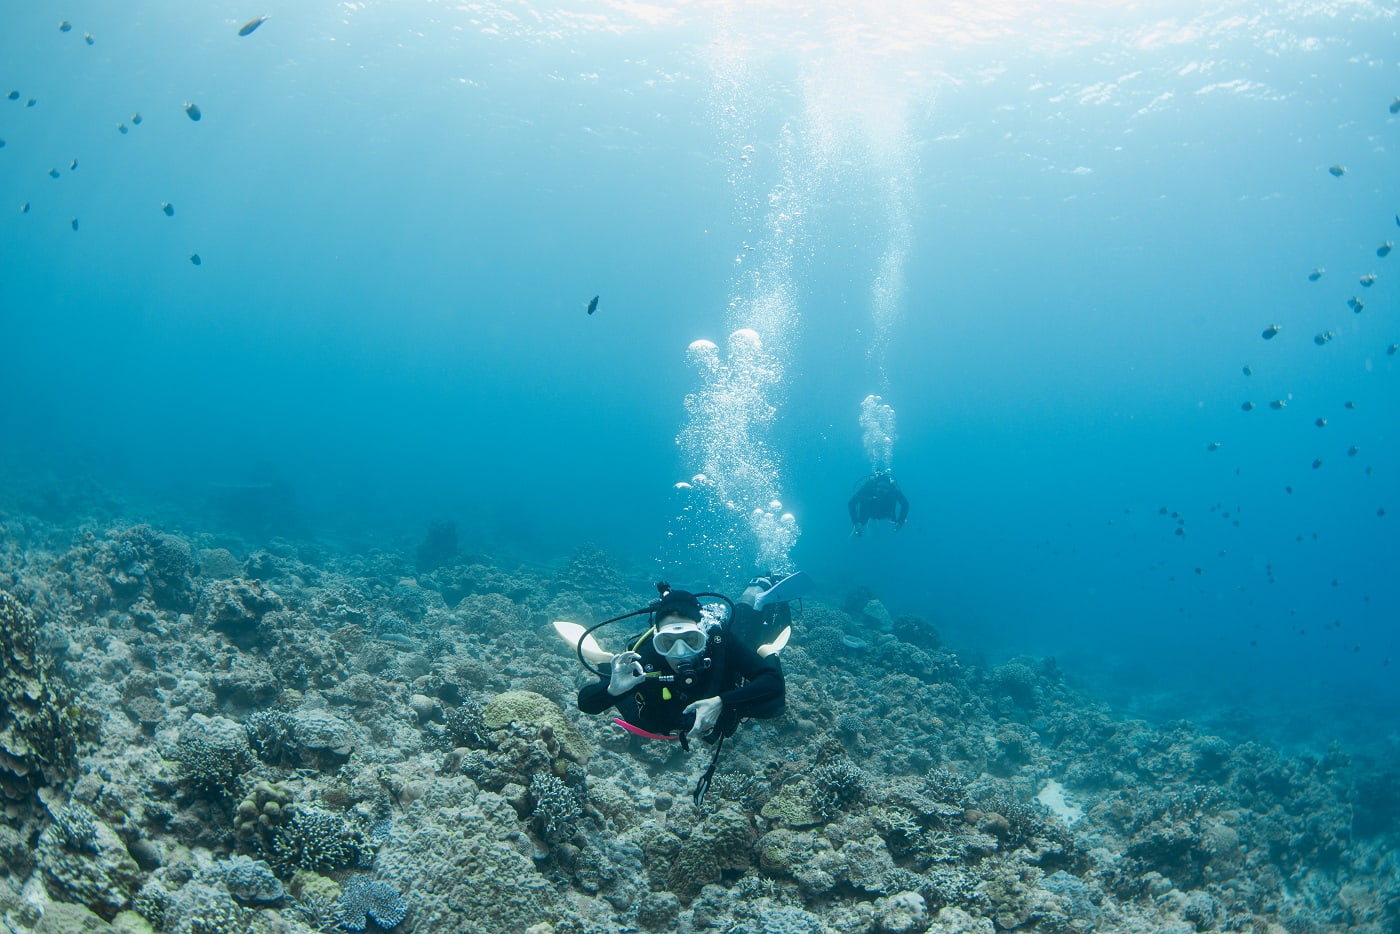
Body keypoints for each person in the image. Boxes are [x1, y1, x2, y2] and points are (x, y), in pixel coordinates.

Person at [576, 586, 785, 747]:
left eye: (691, 640)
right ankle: (605, 659)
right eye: (668, 642)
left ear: (702, 634)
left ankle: (767, 649)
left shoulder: (718, 643)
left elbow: (773, 684)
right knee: (635, 712)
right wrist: (613, 689)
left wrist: (723, 701)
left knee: (773, 706)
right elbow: (587, 704)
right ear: (657, 639)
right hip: (659, 720)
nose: (680, 651)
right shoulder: (646, 656)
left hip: (721, 710)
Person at [848, 470, 909, 535]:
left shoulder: (893, 491)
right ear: (875, 486)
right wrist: (856, 522)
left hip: (884, 513)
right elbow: (851, 503)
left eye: (885, 487)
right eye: (879, 486)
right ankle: (865, 523)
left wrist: (900, 522)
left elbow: (905, 504)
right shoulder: (867, 489)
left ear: (889, 488)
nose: (881, 490)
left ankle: (871, 522)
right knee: (860, 527)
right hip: (867, 511)